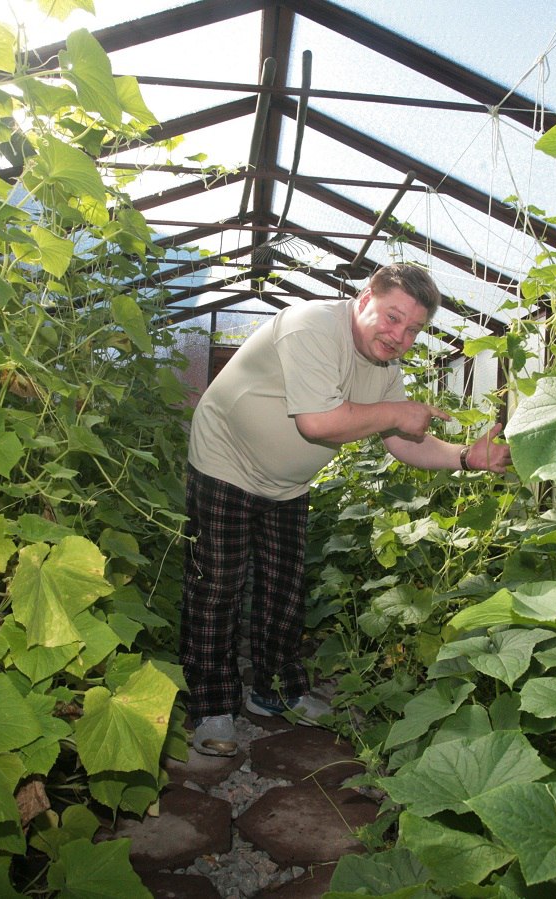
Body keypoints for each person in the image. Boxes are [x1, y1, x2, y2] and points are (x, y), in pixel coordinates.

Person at [180, 263, 511, 756]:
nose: (399, 335)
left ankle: (277, 692)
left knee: (282, 590)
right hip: (224, 462)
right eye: (393, 317)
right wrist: (398, 412)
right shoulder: (312, 326)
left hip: (288, 484)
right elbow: (317, 424)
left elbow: (403, 443)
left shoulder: (384, 370)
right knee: (218, 586)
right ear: (364, 299)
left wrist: (466, 457)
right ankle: (212, 707)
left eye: (413, 329)